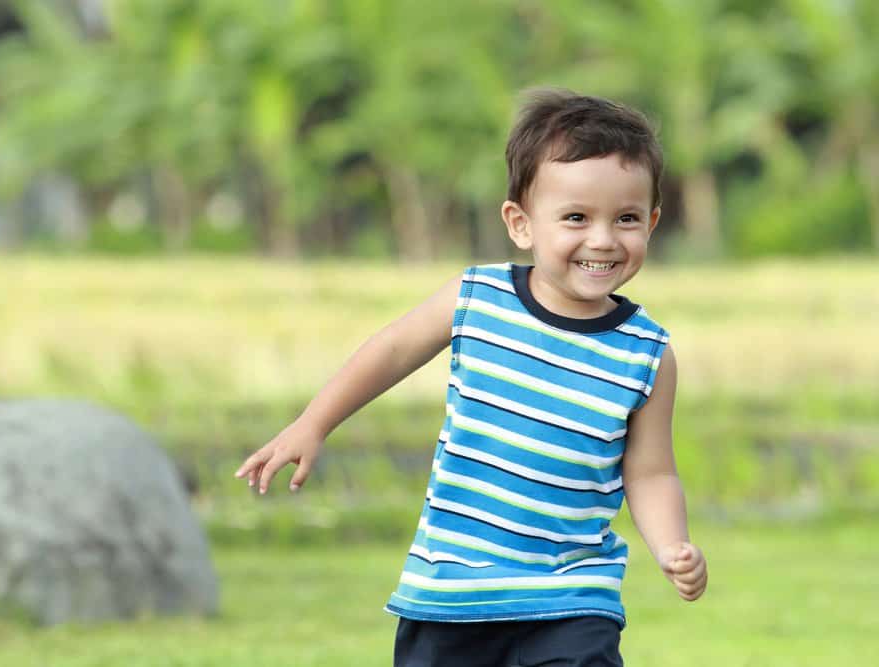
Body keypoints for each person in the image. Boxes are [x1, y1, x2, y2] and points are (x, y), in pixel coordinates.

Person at [234, 87, 708, 667]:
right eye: (576, 218)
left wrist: (671, 545)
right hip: (453, 595)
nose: (604, 239)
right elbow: (392, 350)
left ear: (653, 222)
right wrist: (313, 424)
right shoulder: (477, 299)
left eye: (627, 219)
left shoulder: (647, 353)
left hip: (570, 599)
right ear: (521, 223)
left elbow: (652, 471)